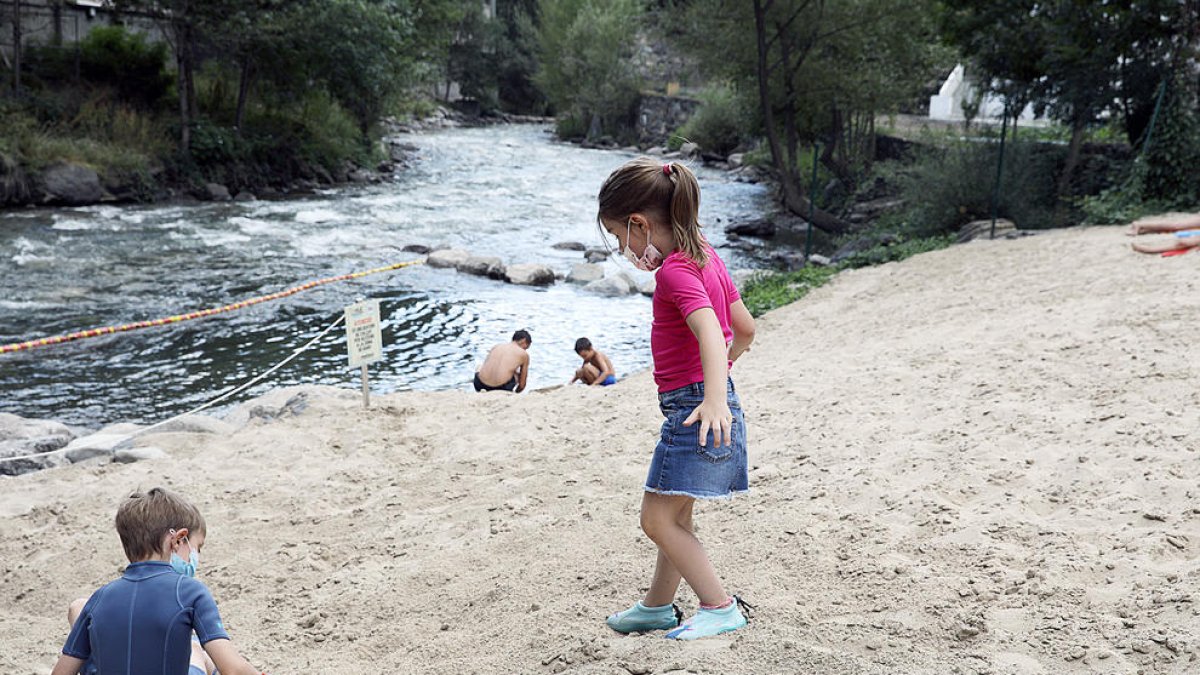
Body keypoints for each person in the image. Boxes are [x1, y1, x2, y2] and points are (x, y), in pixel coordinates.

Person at [596, 158, 756, 640]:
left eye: (620, 238)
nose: (624, 251)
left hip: (695, 409)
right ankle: (657, 606)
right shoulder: (708, 256)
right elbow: (744, 330)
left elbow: (710, 330)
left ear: (640, 225)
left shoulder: (673, 274)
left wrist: (710, 397)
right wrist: (720, 384)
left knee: (656, 518)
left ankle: (719, 605)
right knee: (675, 513)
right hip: (707, 400)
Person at [51, 488, 262, 675]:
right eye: (198, 547)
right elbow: (233, 669)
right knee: (196, 648)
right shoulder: (190, 592)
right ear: (178, 539)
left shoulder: (99, 598)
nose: (196, 556)